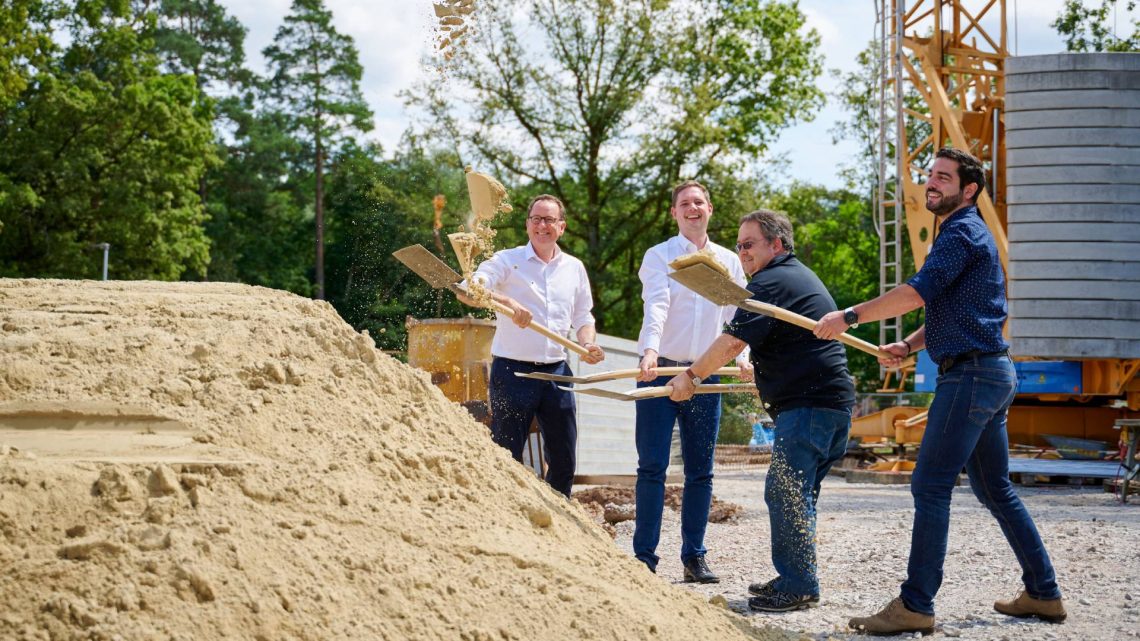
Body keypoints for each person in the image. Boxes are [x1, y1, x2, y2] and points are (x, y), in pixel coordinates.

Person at [814, 147, 1065, 635]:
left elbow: (916, 292)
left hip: (971, 378)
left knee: (930, 486)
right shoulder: (964, 234)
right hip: (989, 373)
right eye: (931, 175)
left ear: (968, 190)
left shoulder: (962, 232)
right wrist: (908, 345)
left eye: (944, 178)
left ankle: (915, 604)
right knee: (997, 491)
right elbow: (956, 309)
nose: (932, 183)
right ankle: (1044, 593)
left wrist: (848, 315)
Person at [666, 209, 855, 612]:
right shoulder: (791, 277)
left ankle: (799, 583)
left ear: (777, 244)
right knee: (797, 495)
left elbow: (732, 342)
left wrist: (691, 377)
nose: (742, 252)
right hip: (828, 406)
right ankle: (796, 576)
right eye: (738, 246)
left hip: (811, 406)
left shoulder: (771, 282)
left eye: (748, 244)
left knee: (785, 492)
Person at [632, 180, 753, 584]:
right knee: (652, 466)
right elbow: (657, 304)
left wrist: (747, 358)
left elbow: (737, 316)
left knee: (701, 471)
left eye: (698, 202)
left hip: (704, 373)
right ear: (675, 213)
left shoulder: (727, 261)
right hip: (661, 370)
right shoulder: (659, 256)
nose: (692, 208)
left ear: (710, 209)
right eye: (684, 203)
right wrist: (650, 351)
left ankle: (694, 558)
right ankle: (643, 558)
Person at [464, 194, 605, 498]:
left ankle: (559, 522)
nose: (542, 225)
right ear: (527, 225)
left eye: (549, 220)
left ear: (562, 227)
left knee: (564, 458)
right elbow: (469, 289)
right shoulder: (506, 260)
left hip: (557, 372)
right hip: (512, 372)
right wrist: (508, 302)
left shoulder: (574, 268)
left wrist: (588, 343)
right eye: (536, 219)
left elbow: (583, 316)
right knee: (506, 453)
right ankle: (506, 515)